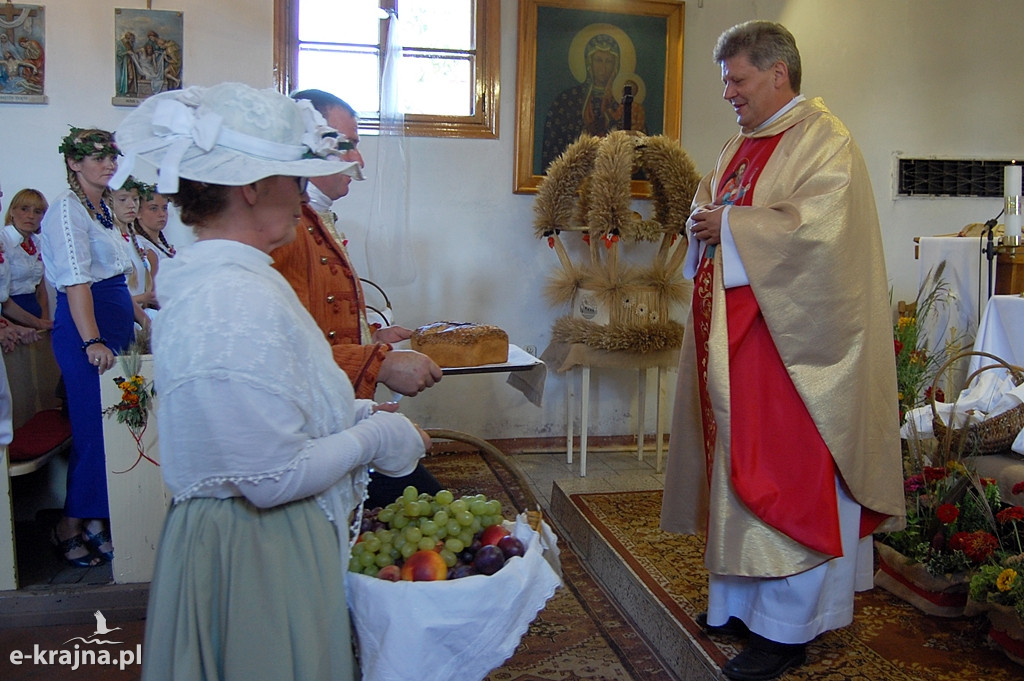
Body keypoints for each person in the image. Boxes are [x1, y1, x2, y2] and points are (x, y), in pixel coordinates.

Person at [111, 81, 426, 681]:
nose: (301, 192)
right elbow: (268, 477)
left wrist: (355, 416)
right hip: (254, 554)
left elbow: (272, 413)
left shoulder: (238, 279)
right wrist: (372, 441)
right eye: (292, 176)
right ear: (253, 187)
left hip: (265, 544)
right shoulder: (228, 294)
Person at [658, 21, 905, 681]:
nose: (730, 95)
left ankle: (788, 627)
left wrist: (731, 226)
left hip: (795, 353)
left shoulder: (827, 142)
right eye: (728, 82)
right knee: (738, 470)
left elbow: (822, 236)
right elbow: (711, 206)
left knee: (785, 477)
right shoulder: (741, 143)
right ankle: (741, 603)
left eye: (738, 80)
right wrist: (705, 222)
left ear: (778, 73)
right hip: (733, 344)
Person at [274, 89, 443, 508]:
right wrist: (379, 363)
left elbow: (318, 319)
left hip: (338, 411)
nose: (359, 162)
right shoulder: (286, 230)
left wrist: (373, 336)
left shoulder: (310, 218)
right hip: (305, 438)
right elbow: (284, 352)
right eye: (347, 145)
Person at [38, 127, 150, 567]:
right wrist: (92, 339)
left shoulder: (102, 208)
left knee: (118, 425)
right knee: (92, 428)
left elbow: (117, 276)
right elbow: (77, 281)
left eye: (112, 156)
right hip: (87, 327)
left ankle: (97, 519)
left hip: (113, 321)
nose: (108, 163)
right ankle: (69, 522)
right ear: (73, 162)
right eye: (97, 156)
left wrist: (138, 318)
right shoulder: (67, 209)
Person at [2, 188, 51, 324]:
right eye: (24, 209)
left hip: (35, 312)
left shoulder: (38, 243)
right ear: (12, 211)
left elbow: (41, 289)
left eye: (37, 212)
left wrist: (44, 322)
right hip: (9, 316)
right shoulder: (3, 241)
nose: (31, 216)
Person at [108, 177, 158, 311]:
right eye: (123, 199)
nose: (131, 205)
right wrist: (142, 298)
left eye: (135, 199)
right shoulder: (109, 242)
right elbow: (109, 298)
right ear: (108, 202)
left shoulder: (137, 242)